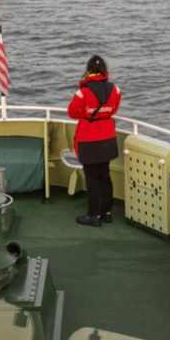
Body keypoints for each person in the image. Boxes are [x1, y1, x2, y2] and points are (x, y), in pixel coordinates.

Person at [67, 55, 122, 226]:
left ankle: (93, 215)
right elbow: (114, 108)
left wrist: (88, 114)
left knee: (92, 178)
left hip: (89, 139)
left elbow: (72, 112)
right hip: (107, 137)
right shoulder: (115, 90)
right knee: (105, 175)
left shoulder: (83, 92)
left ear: (89, 70)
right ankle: (106, 213)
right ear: (105, 70)